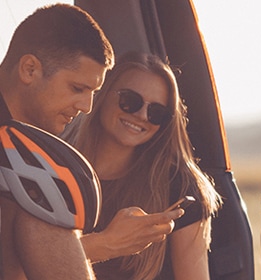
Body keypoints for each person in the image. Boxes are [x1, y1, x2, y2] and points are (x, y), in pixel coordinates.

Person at [0, 4, 183, 279]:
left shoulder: (22, 153)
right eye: (77, 88)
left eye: (94, 92)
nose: (86, 106)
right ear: (29, 69)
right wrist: (105, 244)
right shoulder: (33, 172)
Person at [62, 51, 222, 279]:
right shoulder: (55, 169)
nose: (142, 115)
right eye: (130, 101)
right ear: (102, 94)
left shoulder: (178, 185)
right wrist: (104, 244)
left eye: (156, 112)